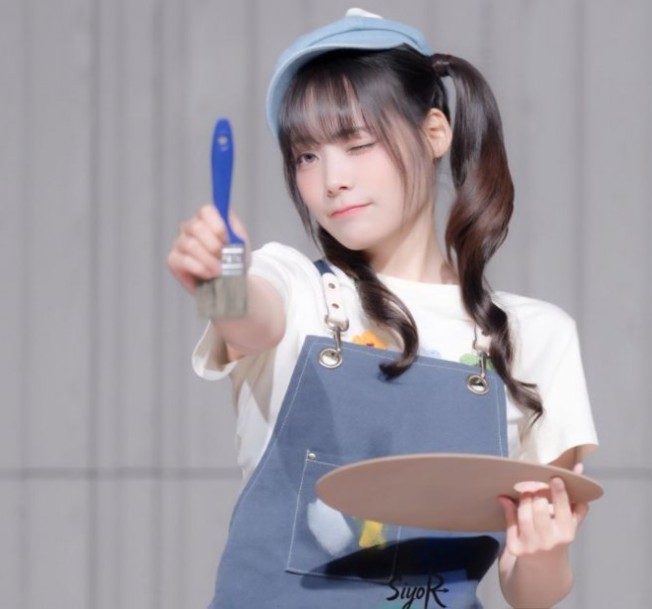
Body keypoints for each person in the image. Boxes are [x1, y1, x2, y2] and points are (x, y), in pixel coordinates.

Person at [166, 8, 598, 609]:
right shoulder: (299, 288)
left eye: (358, 144)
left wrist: (544, 553)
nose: (331, 179)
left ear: (434, 132)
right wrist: (219, 279)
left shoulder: (534, 335)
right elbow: (245, 314)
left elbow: (530, 593)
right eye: (306, 156)